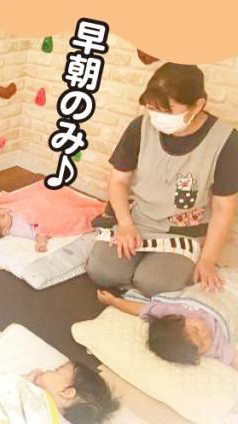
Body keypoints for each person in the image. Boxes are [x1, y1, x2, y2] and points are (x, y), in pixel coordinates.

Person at [87, 63, 238, 297]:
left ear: (198, 105)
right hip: (139, 219)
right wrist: (125, 224)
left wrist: (208, 260)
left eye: (168, 111)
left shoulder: (226, 141)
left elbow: (223, 208)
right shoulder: (140, 126)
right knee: (102, 271)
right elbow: (118, 181)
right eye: (152, 109)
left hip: (183, 230)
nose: (157, 117)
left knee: (154, 284)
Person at [97, 289, 238, 369]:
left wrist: (114, 301)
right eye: (202, 345)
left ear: (177, 319)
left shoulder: (169, 312)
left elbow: (139, 309)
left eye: (196, 330)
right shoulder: (217, 347)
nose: (205, 335)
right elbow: (234, 358)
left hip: (207, 292)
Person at [26, 361, 120, 424]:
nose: (48, 370)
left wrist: (25, 381)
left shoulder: (39, 405)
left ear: (67, 392)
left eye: (56, 370)